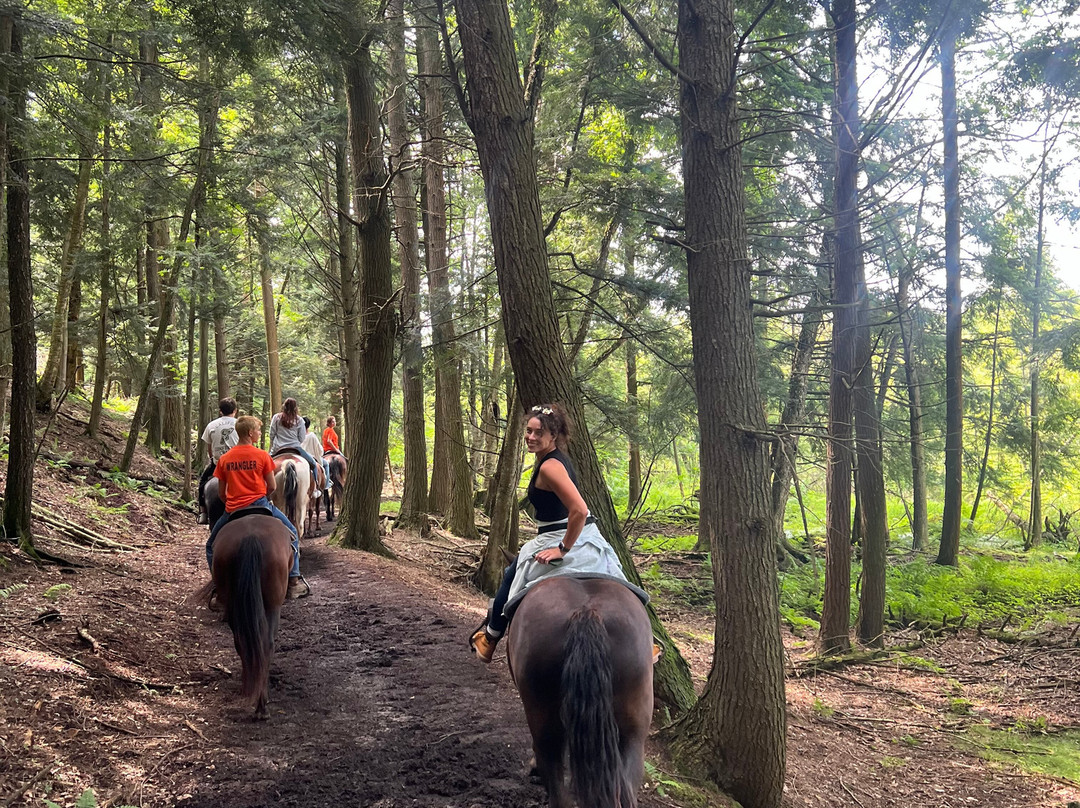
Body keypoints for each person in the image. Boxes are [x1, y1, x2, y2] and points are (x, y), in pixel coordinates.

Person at [470, 403, 630, 663]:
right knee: (615, 578)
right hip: (583, 533)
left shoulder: (549, 467)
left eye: (539, 433)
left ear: (553, 436)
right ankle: (647, 641)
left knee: (512, 574)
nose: (531, 437)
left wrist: (563, 549)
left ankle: (490, 637)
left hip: (562, 536)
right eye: (529, 430)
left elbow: (578, 509)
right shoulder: (555, 458)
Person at [206, 416, 310, 600]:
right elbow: (272, 487)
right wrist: (262, 497)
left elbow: (222, 493)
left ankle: (218, 586)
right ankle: (293, 580)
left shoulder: (225, 459)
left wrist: (233, 501)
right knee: (292, 533)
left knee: (211, 546)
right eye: (258, 430)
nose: (260, 433)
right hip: (260, 504)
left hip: (234, 508)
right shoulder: (262, 455)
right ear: (250, 433)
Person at [196, 398, 238, 524]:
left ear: (220, 411)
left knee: (203, 482)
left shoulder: (211, 425)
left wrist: (213, 460)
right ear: (235, 411)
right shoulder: (240, 424)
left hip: (218, 463)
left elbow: (210, 447)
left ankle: (203, 512)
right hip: (237, 463)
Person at [268, 398, 319, 498]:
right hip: (295, 448)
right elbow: (301, 438)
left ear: (284, 406)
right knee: (313, 463)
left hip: (278, 449)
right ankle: (315, 489)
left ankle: (263, 490)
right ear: (295, 407)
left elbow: (271, 434)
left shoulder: (276, 418)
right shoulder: (299, 420)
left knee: (263, 466)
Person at [302, 416, 331, 494]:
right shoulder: (312, 435)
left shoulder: (298, 436)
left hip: (300, 457)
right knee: (326, 464)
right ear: (308, 425)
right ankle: (326, 484)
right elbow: (320, 450)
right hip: (311, 457)